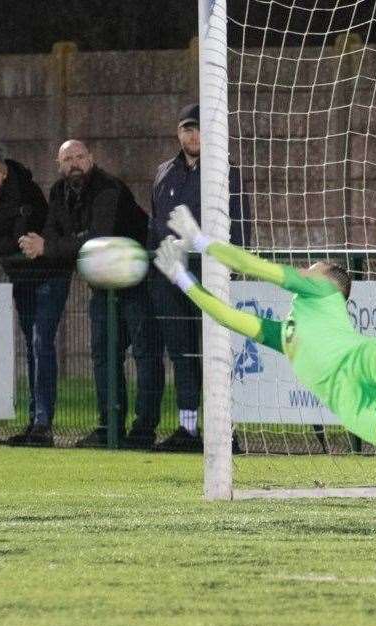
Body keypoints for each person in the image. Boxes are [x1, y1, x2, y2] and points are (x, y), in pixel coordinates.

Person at [154, 205, 376, 494]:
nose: (307, 270)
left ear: (330, 282)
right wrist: (182, 278)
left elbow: (257, 267)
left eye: (315, 267)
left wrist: (202, 243)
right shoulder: (285, 334)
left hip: (360, 359)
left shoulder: (323, 291)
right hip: (347, 400)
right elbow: (227, 317)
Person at [19, 140, 164, 449]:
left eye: (80, 157)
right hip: (103, 284)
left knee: (145, 353)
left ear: (91, 159)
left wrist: (50, 247)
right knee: (104, 355)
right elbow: (53, 232)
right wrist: (53, 243)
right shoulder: (58, 192)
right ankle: (109, 427)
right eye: (67, 159)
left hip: (141, 279)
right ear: (59, 166)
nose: (74, 163)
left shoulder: (108, 187)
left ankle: (143, 429)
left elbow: (100, 236)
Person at [148, 103, 251, 451]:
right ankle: (187, 428)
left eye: (198, 129)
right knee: (181, 352)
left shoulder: (226, 171)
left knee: (215, 353)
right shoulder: (165, 171)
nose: (193, 135)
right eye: (186, 129)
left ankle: (226, 430)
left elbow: (241, 219)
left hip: (209, 273)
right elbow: (155, 221)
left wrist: (235, 265)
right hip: (171, 275)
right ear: (178, 133)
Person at [0, 143, 65, 446]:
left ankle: (43, 423)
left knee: (40, 342)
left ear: (4, 173)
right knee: (32, 346)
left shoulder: (23, 190)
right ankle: (35, 421)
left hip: (50, 273)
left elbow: (13, 240)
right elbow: (7, 241)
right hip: (20, 276)